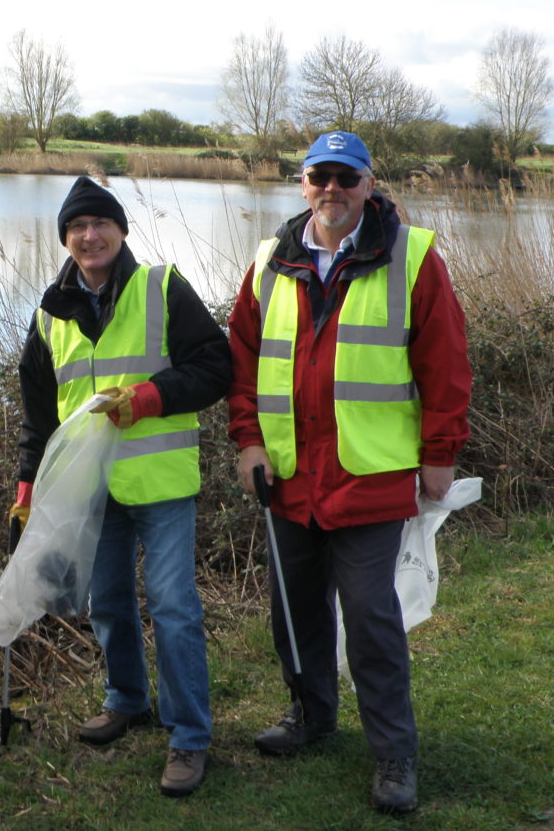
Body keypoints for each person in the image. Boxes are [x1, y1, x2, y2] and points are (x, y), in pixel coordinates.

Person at [226, 131, 471, 815]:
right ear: (302, 183)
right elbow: (241, 360)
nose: (331, 188)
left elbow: (445, 364)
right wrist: (247, 444)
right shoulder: (270, 258)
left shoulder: (412, 256)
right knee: (294, 609)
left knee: (370, 615)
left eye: (345, 176)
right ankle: (311, 715)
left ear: (369, 183)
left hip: (371, 474)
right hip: (287, 473)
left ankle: (394, 753)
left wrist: (440, 454)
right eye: (318, 176)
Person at [12, 176, 230, 797]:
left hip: (159, 484)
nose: (89, 235)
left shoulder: (162, 287)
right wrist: (28, 485)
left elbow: (216, 365)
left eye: (100, 223)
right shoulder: (49, 314)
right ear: (65, 240)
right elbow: (39, 413)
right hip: (90, 490)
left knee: (172, 606)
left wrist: (151, 397)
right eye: (76, 227)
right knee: (105, 601)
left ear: (121, 231)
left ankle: (188, 735)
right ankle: (126, 699)